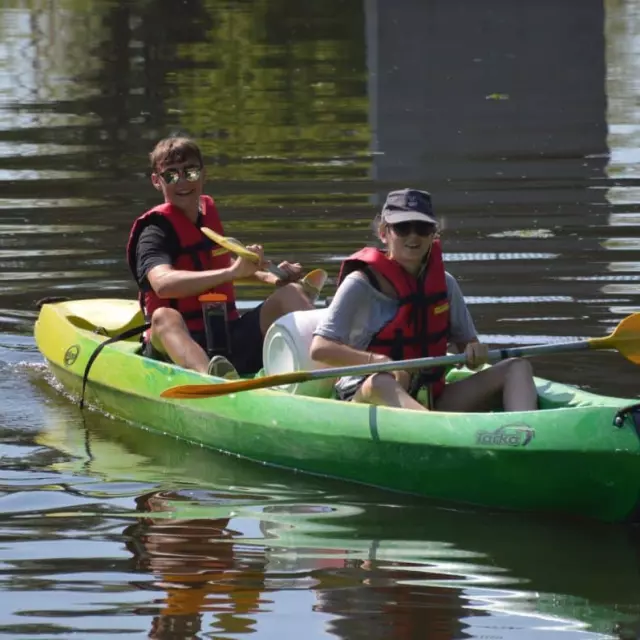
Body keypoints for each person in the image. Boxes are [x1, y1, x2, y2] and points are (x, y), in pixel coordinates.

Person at [310, 188, 538, 412]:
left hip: (430, 397)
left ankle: (527, 437)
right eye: (402, 227)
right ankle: (439, 432)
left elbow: (468, 350)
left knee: (517, 367)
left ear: (433, 234)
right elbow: (320, 349)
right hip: (367, 396)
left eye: (422, 228)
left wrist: (474, 353)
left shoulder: (445, 284)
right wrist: (378, 360)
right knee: (382, 381)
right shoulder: (359, 284)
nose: (413, 236)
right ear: (383, 232)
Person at [126, 135, 314, 377]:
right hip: (174, 345)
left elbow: (219, 271)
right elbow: (162, 285)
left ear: (204, 174)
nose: (182, 181)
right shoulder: (153, 232)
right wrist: (231, 272)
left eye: (190, 172)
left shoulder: (206, 218)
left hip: (226, 335)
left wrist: (272, 278)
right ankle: (211, 381)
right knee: (164, 316)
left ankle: (336, 371)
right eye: (171, 175)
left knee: (291, 294)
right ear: (156, 181)